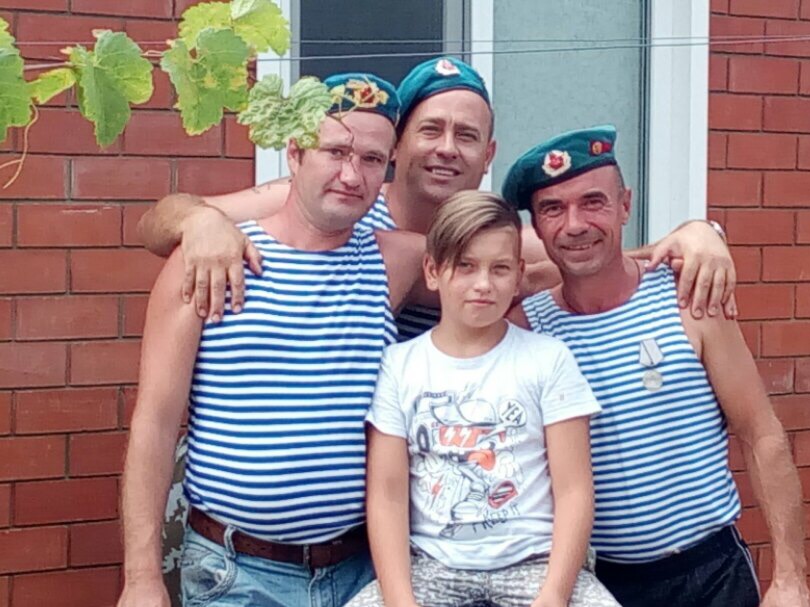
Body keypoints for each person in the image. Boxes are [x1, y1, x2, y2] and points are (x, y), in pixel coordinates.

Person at [117, 74, 437, 607]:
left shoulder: (394, 260)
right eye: (335, 152)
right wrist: (142, 578)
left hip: (362, 572)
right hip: (236, 574)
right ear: (294, 153)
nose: (351, 175)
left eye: (372, 160)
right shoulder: (210, 260)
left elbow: (513, 267)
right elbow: (155, 421)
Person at [136, 57, 738, 338]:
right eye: (431, 130)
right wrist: (199, 221)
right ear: (397, 145)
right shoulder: (329, 198)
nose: (447, 149)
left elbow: (599, 259)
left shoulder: (495, 240)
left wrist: (695, 234)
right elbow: (152, 224)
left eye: (466, 136)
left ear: (488, 154)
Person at [502, 126, 810, 607]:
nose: (575, 224)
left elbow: (761, 433)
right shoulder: (525, 330)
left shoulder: (688, 297)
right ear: (537, 228)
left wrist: (791, 578)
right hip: (599, 584)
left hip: (712, 576)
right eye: (552, 209)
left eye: (593, 202)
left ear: (625, 205)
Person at [348, 191, 619, 607]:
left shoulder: (548, 359)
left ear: (518, 274)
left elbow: (574, 489)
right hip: (432, 567)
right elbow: (387, 494)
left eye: (500, 268)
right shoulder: (399, 365)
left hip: (535, 564)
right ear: (433, 270)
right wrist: (400, 600)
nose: (483, 284)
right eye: (466, 266)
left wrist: (554, 594)